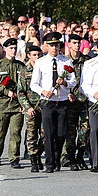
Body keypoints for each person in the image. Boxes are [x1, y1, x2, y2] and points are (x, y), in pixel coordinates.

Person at [30, 32, 76, 173]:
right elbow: (34, 84)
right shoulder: (41, 62)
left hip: (61, 101)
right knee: (49, 134)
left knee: (61, 133)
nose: (54, 48)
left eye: (56, 45)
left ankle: (57, 159)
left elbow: (73, 81)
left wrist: (65, 83)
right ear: (47, 46)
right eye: (51, 45)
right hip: (48, 102)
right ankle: (50, 163)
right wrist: (43, 92)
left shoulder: (66, 61)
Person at [0, 38, 26, 168]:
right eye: (11, 48)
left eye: (15, 48)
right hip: (2, 106)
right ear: (5, 49)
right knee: (0, 132)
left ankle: (14, 158)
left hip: (17, 106)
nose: (13, 50)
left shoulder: (21, 66)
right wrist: (5, 91)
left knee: (16, 132)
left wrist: (24, 104)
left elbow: (26, 85)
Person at [65, 34, 91, 171]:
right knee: (70, 132)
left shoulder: (87, 61)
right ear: (69, 44)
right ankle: (71, 158)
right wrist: (67, 93)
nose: (76, 45)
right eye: (74, 43)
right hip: (69, 102)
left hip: (83, 101)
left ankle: (80, 156)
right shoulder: (64, 61)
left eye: (78, 43)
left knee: (85, 130)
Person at [17, 45, 44, 172]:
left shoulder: (44, 69)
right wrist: (27, 107)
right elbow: (20, 92)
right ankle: (33, 160)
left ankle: (38, 154)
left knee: (45, 134)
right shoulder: (24, 70)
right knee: (32, 135)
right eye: (34, 55)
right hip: (31, 108)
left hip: (43, 106)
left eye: (39, 55)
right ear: (29, 56)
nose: (37, 57)